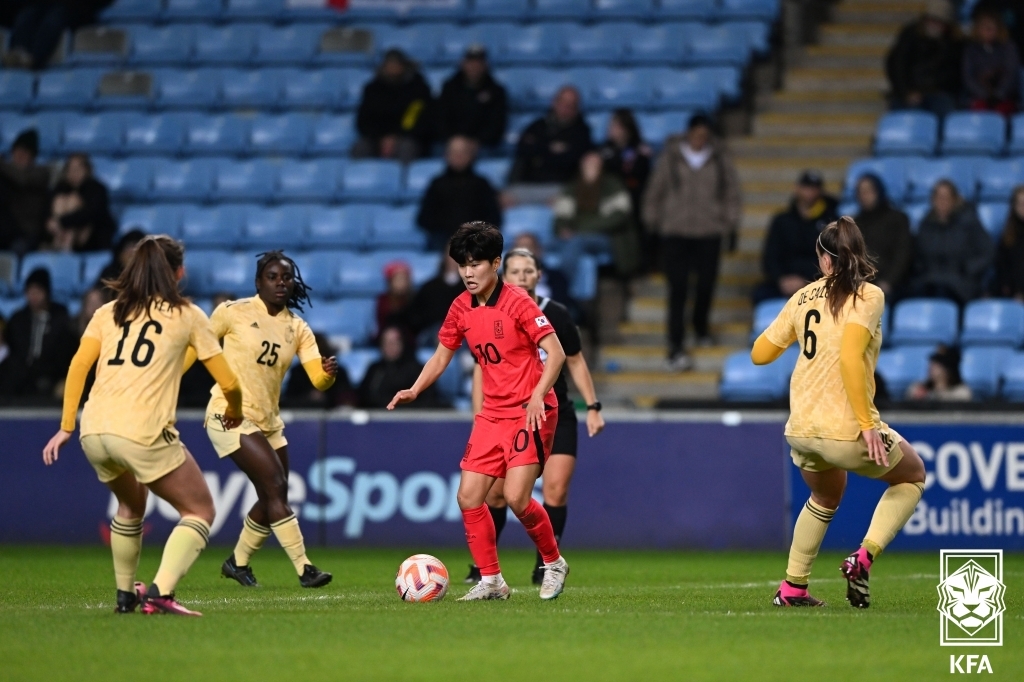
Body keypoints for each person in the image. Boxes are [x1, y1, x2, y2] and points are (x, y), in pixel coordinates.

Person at [41, 235, 245, 617]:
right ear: (179, 273)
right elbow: (230, 382)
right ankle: (160, 592)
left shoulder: (107, 312)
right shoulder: (187, 315)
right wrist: (234, 409)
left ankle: (124, 594)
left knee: (131, 503)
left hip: (94, 430)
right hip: (142, 431)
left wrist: (67, 425)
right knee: (199, 510)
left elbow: (78, 367)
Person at [387, 221, 570, 601]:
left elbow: (557, 352)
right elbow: (441, 355)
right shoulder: (460, 307)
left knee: (518, 498)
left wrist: (539, 394)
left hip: (530, 411)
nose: (468, 272)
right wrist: (415, 388)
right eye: (462, 265)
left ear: (496, 263)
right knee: (469, 497)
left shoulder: (519, 301)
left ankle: (553, 562)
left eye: (476, 264)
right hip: (492, 414)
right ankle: (492, 581)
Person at [752, 216, 927, 609]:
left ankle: (793, 588)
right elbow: (850, 357)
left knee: (826, 494)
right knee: (913, 475)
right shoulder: (869, 296)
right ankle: (861, 558)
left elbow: (759, 355)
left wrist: (792, 328)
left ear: (823, 259)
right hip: (845, 428)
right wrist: (867, 425)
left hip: (801, 428)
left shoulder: (802, 296)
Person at [186, 251, 336, 589]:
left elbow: (317, 379)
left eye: (286, 277)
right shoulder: (232, 312)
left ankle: (237, 563)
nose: (281, 282)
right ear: (258, 282)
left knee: (273, 495)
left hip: (269, 422)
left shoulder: (297, 328)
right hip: (230, 413)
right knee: (275, 487)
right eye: (272, 276)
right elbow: (197, 347)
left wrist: (327, 375)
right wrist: (166, 380)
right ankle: (305, 568)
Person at [465, 248, 605, 586]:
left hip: (555, 411)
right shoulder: (489, 312)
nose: (522, 277)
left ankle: (547, 564)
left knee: (554, 490)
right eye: (515, 271)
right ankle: (485, 569)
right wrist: (478, 416)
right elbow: (483, 369)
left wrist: (594, 406)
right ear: (503, 274)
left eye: (529, 271)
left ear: (539, 276)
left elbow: (573, 360)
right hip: (508, 414)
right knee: (497, 495)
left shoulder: (555, 313)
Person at [642, 114, 742, 370]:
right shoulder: (672, 157)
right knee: (678, 288)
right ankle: (675, 341)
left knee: (706, 284)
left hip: (709, 231)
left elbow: (731, 192)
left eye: (704, 135)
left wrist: (729, 221)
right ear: (688, 133)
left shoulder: (719, 158)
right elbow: (656, 189)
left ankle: (700, 326)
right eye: (696, 134)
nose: (700, 140)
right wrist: (652, 220)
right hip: (675, 231)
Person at [555, 150, 642, 283]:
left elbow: (619, 216)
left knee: (575, 242)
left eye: (595, 163)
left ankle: (564, 290)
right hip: (576, 234)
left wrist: (580, 229)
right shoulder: (573, 187)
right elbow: (561, 215)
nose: (591, 166)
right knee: (533, 244)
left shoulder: (613, 184)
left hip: (609, 237)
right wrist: (563, 228)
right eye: (588, 163)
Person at [754, 171, 839, 305]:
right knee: (760, 294)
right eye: (807, 187)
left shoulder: (832, 222)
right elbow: (770, 257)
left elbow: (835, 259)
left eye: (814, 188)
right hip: (785, 281)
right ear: (797, 188)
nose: (810, 192)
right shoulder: (782, 221)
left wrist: (807, 280)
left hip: (819, 282)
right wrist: (781, 279)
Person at [908, 179, 992, 305]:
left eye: (946, 197)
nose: (942, 201)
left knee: (944, 295)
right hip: (929, 280)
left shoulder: (969, 223)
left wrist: (967, 268)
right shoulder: (926, 224)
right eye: (938, 197)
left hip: (960, 283)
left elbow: (988, 252)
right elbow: (917, 255)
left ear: (955, 199)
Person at [416, 136, 502, 252]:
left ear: (471, 155)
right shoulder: (437, 184)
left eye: (463, 152)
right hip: (442, 239)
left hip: (475, 240)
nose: (458, 156)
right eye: (454, 152)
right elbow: (424, 218)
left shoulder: (482, 184)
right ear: (446, 155)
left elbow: (493, 217)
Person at [2, 268, 78, 398]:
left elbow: (66, 352)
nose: (33, 296)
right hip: (19, 375)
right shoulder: (18, 319)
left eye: (38, 291)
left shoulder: (60, 319)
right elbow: (11, 348)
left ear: (46, 292)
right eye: (30, 292)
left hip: (50, 374)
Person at [352, 49, 433, 163]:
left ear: (403, 65)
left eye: (396, 64)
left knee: (407, 147)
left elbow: (420, 119)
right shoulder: (372, 89)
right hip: (377, 138)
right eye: (390, 64)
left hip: (408, 136)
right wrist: (380, 138)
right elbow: (364, 120)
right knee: (360, 148)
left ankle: (403, 180)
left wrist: (397, 137)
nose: (393, 67)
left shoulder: (418, 89)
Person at [885, 0, 962, 117]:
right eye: (931, 20)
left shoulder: (953, 43)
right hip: (909, 90)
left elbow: (953, 72)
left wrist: (939, 89)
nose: (934, 25)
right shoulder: (910, 36)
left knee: (946, 112)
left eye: (939, 22)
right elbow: (897, 66)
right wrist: (906, 92)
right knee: (909, 117)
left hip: (938, 92)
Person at [508, 86, 592, 187]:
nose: (565, 108)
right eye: (562, 102)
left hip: (562, 187)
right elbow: (524, 150)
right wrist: (551, 148)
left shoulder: (582, 131)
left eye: (571, 105)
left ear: (577, 108)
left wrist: (541, 151)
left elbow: (572, 160)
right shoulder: (537, 126)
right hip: (530, 184)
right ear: (554, 102)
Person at [435, 45, 508, 150]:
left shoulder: (496, 91)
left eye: (478, 63)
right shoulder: (449, 88)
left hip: (483, 145)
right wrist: (452, 139)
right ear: (463, 64)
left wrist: (477, 141)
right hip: (452, 143)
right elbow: (441, 118)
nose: (474, 67)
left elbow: (497, 124)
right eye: (471, 62)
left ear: (485, 65)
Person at [4, 0, 113, 70]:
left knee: (53, 20)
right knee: (26, 16)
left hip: (74, 8)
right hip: (43, 5)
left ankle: (34, 60)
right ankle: (18, 52)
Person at [853, 174, 913, 297]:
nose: (865, 196)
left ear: (878, 191)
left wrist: (888, 282)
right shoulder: (854, 223)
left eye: (869, 191)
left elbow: (903, 254)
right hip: (861, 282)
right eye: (861, 192)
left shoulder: (897, 219)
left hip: (892, 282)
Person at [46, 153, 117, 253]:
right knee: (60, 201)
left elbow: (92, 213)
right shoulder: (60, 189)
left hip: (93, 239)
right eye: (70, 169)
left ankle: (65, 247)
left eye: (78, 169)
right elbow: (48, 213)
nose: (73, 173)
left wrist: (62, 222)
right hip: (59, 233)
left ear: (87, 170)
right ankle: (63, 247)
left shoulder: (97, 189)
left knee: (73, 201)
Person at [359, 325, 441, 409]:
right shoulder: (375, 370)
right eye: (386, 342)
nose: (390, 346)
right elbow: (363, 399)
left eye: (394, 342)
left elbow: (429, 402)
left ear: (403, 343)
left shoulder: (417, 370)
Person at [0, 129, 50, 254]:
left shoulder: (41, 173)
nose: (19, 156)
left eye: (25, 153)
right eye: (17, 151)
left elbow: (22, 178)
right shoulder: (5, 173)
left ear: (32, 156)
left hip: (26, 233)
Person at [962, 7, 1021, 114]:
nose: (988, 31)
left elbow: (1011, 73)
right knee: (979, 112)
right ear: (978, 29)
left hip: (1005, 97)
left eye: (992, 27)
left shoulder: (1008, 47)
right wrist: (985, 95)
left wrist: (999, 95)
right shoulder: (971, 50)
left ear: (999, 29)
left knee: (1002, 112)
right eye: (984, 27)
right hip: (979, 97)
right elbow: (968, 77)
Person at [283, 333, 356, 408]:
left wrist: (325, 397)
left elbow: (348, 399)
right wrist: (308, 398)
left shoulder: (338, 372)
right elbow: (288, 400)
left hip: (334, 416)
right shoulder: (297, 373)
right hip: (303, 415)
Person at [407, 251, 465, 346]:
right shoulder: (429, 287)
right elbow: (415, 316)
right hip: (432, 332)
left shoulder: (472, 289)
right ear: (444, 258)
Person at [906, 345, 972, 401]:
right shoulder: (919, 387)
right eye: (933, 363)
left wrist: (930, 396)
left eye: (938, 365)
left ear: (949, 369)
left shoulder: (961, 392)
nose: (931, 367)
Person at [995, 185, 1024, 300]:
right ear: (1014, 206)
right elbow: (1003, 267)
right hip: (1014, 294)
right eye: (1020, 204)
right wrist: (1015, 291)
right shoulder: (1008, 236)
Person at [376, 260, 413, 340]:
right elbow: (382, 324)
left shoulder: (413, 300)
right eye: (398, 279)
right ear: (390, 282)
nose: (401, 282)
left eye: (404, 279)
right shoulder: (383, 301)